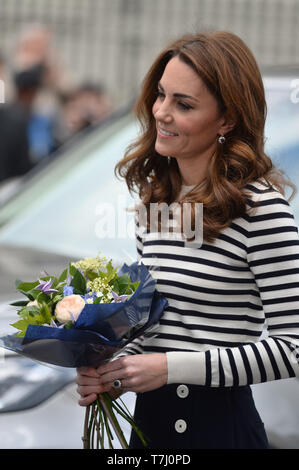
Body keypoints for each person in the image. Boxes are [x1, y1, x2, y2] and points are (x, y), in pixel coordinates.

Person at [75, 31, 299, 449]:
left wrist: (169, 368)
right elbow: (159, 326)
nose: (161, 112)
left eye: (184, 104)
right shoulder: (155, 201)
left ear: (227, 120)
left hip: (220, 430)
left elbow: (293, 348)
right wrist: (114, 369)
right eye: (161, 95)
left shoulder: (261, 210)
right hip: (149, 429)